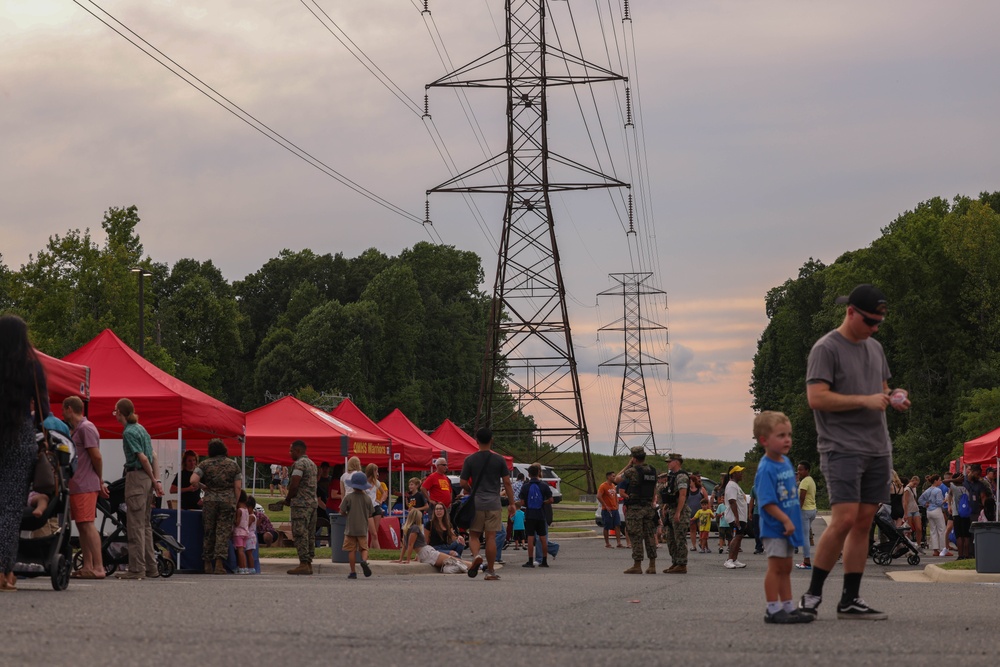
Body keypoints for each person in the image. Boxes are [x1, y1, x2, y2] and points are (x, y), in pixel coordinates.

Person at [799, 284, 910, 621]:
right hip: (841, 447)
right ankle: (812, 594)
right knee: (845, 519)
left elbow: (881, 389)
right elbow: (816, 398)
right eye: (870, 321)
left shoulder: (875, 348)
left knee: (864, 523)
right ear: (850, 312)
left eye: (879, 322)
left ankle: (850, 599)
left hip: (878, 448)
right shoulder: (826, 348)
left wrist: (895, 396)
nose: (875, 328)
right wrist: (863, 400)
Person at [753, 411, 813, 624]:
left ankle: (788, 606)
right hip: (775, 527)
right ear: (764, 440)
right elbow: (767, 501)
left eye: (788, 434)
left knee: (786, 567)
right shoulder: (767, 468)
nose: (787, 439)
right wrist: (785, 520)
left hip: (788, 526)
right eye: (781, 435)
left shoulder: (785, 461)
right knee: (776, 567)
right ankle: (772, 608)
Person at [0, 315, 44, 592]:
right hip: (20, 437)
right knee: (11, 508)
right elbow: (43, 410)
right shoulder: (31, 367)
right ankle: (5, 572)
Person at [459, 428, 515, 581]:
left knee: (474, 535)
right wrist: (512, 503)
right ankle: (490, 571)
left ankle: (477, 556)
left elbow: (462, 482)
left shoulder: (470, 460)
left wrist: (471, 490)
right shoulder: (499, 460)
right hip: (493, 503)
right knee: (491, 537)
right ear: (492, 440)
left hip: (476, 503)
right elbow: (507, 483)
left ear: (476, 440)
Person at [63, 395, 109, 580]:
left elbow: (96, 456)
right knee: (82, 525)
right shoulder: (78, 429)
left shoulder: (85, 428)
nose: (62, 413)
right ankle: (88, 566)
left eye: (63, 409)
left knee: (88, 524)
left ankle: (99, 566)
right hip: (79, 484)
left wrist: (99, 480)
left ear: (69, 409)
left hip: (85, 485)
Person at [190, 438, 242, 575]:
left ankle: (207, 563)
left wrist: (204, 487)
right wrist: (234, 503)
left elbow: (193, 480)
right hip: (227, 501)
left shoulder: (204, 464)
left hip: (210, 500)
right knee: (223, 532)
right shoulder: (233, 465)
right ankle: (219, 564)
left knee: (209, 531)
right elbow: (238, 487)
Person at [615, 446, 658, 574]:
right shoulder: (652, 470)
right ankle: (652, 565)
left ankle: (637, 565)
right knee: (650, 535)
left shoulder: (633, 471)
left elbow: (617, 479)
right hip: (648, 508)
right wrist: (652, 502)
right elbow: (654, 488)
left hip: (635, 508)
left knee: (636, 535)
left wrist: (628, 465)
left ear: (633, 458)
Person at [399, 508, 481, 575]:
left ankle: (479, 566)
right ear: (417, 518)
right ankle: (479, 566)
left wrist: (401, 559)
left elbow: (405, 545)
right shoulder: (415, 528)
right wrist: (407, 560)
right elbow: (410, 544)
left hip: (424, 553)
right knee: (454, 560)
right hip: (427, 552)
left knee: (451, 562)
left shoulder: (407, 529)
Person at [284, 440, 318, 575]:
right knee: (310, 535)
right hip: (312, 505)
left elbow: (294, 484)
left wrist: (288, 499)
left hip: (301, 505)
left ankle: (303, 563)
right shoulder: (313, 464)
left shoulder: (299, 464)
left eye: (291, 450)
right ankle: (309, 562)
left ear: (298, 451)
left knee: (300, 534)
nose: (290, 453)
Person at [517, 463, 553, 568]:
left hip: (530, 514)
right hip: (541, 514)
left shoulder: (525, 486)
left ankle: (530, 560)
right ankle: (544, 560)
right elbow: (551, 500)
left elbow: (522, 502)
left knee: (530, 537)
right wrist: (542, 502)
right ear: (538, 472)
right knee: (543, 538)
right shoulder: (544, 485)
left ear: (528, 474)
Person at [659, 452, 689, 573]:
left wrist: (678, 512)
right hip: (671, 509)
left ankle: (682, 564)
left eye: (670, 461)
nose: (668, 464)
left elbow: (682, 495)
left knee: (679, 538)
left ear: (677, 462)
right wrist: (666, 506)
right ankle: (675, 562)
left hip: (679, 510)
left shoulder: (681, 476)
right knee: (671, 538)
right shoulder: (672, 476)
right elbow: (672, 493)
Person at [342, 470, 373, 579]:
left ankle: (353, 572)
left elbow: (342, 510)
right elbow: (371, 512)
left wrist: (347, 514)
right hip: (362, 528)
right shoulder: (367, 499)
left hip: (350, 528)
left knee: (351, 550)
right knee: (364, 548)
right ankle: (364, 561)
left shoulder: (348, 497)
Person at [724, 465, 748, 569]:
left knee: (740, 536)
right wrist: (736, 518)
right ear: (733, 474)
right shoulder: (732, 486)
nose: (741, 474)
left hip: (741, 516)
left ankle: (734, 559)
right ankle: (729, 560)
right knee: (737, 536)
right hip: (735, 517)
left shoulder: (736, 485)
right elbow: (732, 501)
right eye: (739, 472)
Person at [796, 461, 817, 569]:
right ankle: (806, 560)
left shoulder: (804, 482)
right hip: (812, 510)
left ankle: (807, 561)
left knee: (804, 538)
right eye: (798, 469)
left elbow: (802, 498)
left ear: (807, 470)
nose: (798, 471)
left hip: (805, 511)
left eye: (801, 469)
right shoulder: (811, 480)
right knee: (805, 536)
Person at [919, 475, 947, 555]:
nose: (940, 482)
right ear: (935, 481)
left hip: (929, 511)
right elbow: (938, 502)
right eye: (939, 480)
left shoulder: (927, 490)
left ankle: (935, 549)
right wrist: (945, 500)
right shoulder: (938, 490)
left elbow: (920, 499)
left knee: (933, 530)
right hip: (936, 510)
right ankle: (943, 549)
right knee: (941, 529)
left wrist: (925, 504)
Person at [598, 470, 624, 549]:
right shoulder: (603, 486)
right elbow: (599, 496)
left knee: (617, 525)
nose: (614, 477)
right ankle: (607, 543)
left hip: (614, 509)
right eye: (613, 476)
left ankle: (619, 543)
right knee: (607, 526)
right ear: (608, 477)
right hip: (607, 510)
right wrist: (605, 505)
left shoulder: (613, 485)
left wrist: (616, 503)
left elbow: (615, 495)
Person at [686, 473, 708, 551]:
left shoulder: (701, 490)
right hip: (691, 513)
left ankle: (701, 543)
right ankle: (693, 545)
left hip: (701, 514)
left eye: (690, 481)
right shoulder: (687, 491)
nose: (689, 483)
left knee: (701, 529)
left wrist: (708, 510)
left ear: (694, 481)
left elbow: (706, 500)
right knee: (692, 529)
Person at [364, 463, 383, 550]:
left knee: (375, 531)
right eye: (376, 471)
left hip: (376, 507)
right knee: (373, 532)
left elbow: (384, 492)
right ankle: (377, 551)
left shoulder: (376, 482)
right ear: (373, 471)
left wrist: (381, 501)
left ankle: (373, 550)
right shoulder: (364, 482)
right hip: (368, 508)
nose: (377, 473)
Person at [233, 491, 251, 574]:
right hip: (245, 532)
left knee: (239, 551)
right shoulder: (246, 510)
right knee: (242, 550)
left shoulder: (239, 510)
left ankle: (241, 567)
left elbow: (237, 522)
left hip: (238, 532)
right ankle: (244, 567)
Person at [903, 476, 922, 550]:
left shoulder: (914, 488)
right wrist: (905, 513)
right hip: (909, 510)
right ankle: (908, 545)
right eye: (914, 484)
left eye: (917, 484)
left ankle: (918, 544)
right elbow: (905, 502)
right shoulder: (907, 489)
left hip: (915, 509)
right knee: (909, 530)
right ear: (911, 481)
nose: (915, 485)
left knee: (919, 528)